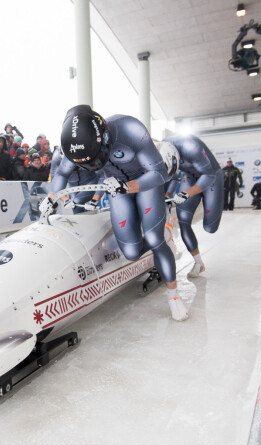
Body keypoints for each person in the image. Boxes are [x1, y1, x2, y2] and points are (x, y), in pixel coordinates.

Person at [42, 105, 188, 321]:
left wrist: (128, 187)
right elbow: (61, 174)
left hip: (145, 183)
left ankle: (174, 296)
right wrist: (51, 198)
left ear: (104, 136)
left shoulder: (130, 130)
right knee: (130, 252)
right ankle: (155, 241)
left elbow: (159, 173)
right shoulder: (73, 148)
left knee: (154, 238)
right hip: (115, 187)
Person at [161, 135, 224, 278]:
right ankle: (198, 263)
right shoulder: (162, 149)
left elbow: (208, 175)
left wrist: (187, 194)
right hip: (188, 176)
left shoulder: (191, 147)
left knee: (210, 227)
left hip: (211, 176)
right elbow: (172, 175)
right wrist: (167, 195)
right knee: (184, 221)